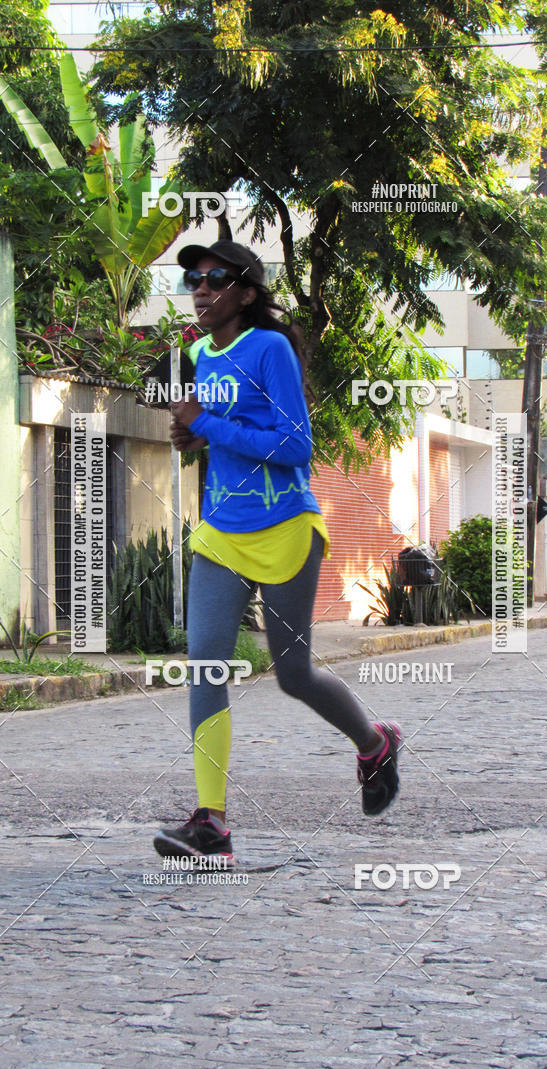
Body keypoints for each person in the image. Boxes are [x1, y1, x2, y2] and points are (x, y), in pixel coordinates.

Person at [153, 239, 402, 867]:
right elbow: (208, 439)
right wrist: (186, 434)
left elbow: (294, 445)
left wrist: (205, 424)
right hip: (221, 531)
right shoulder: (196, 354)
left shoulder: (271, 349)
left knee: (293, 673)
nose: (202, 291)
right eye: (195, 283)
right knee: (205, 663)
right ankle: (212, 824)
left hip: (286, 525)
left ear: (246, 291)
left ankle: (374, 742)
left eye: (215, 280)